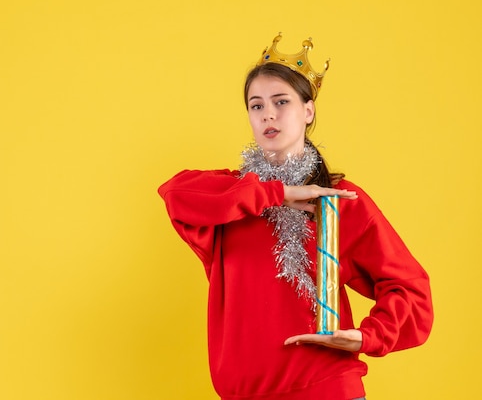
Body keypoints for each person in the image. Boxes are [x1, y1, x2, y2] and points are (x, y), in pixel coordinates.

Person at [157, 33, 433, 400]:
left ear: (308, 110)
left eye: (281, 101)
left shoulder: (336, 201)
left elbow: (412, 290)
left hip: (326, 389)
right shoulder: (230, 199)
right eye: (256, 105)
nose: (267, 113)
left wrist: (369, 336)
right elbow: (174, 194)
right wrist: (277, 193)